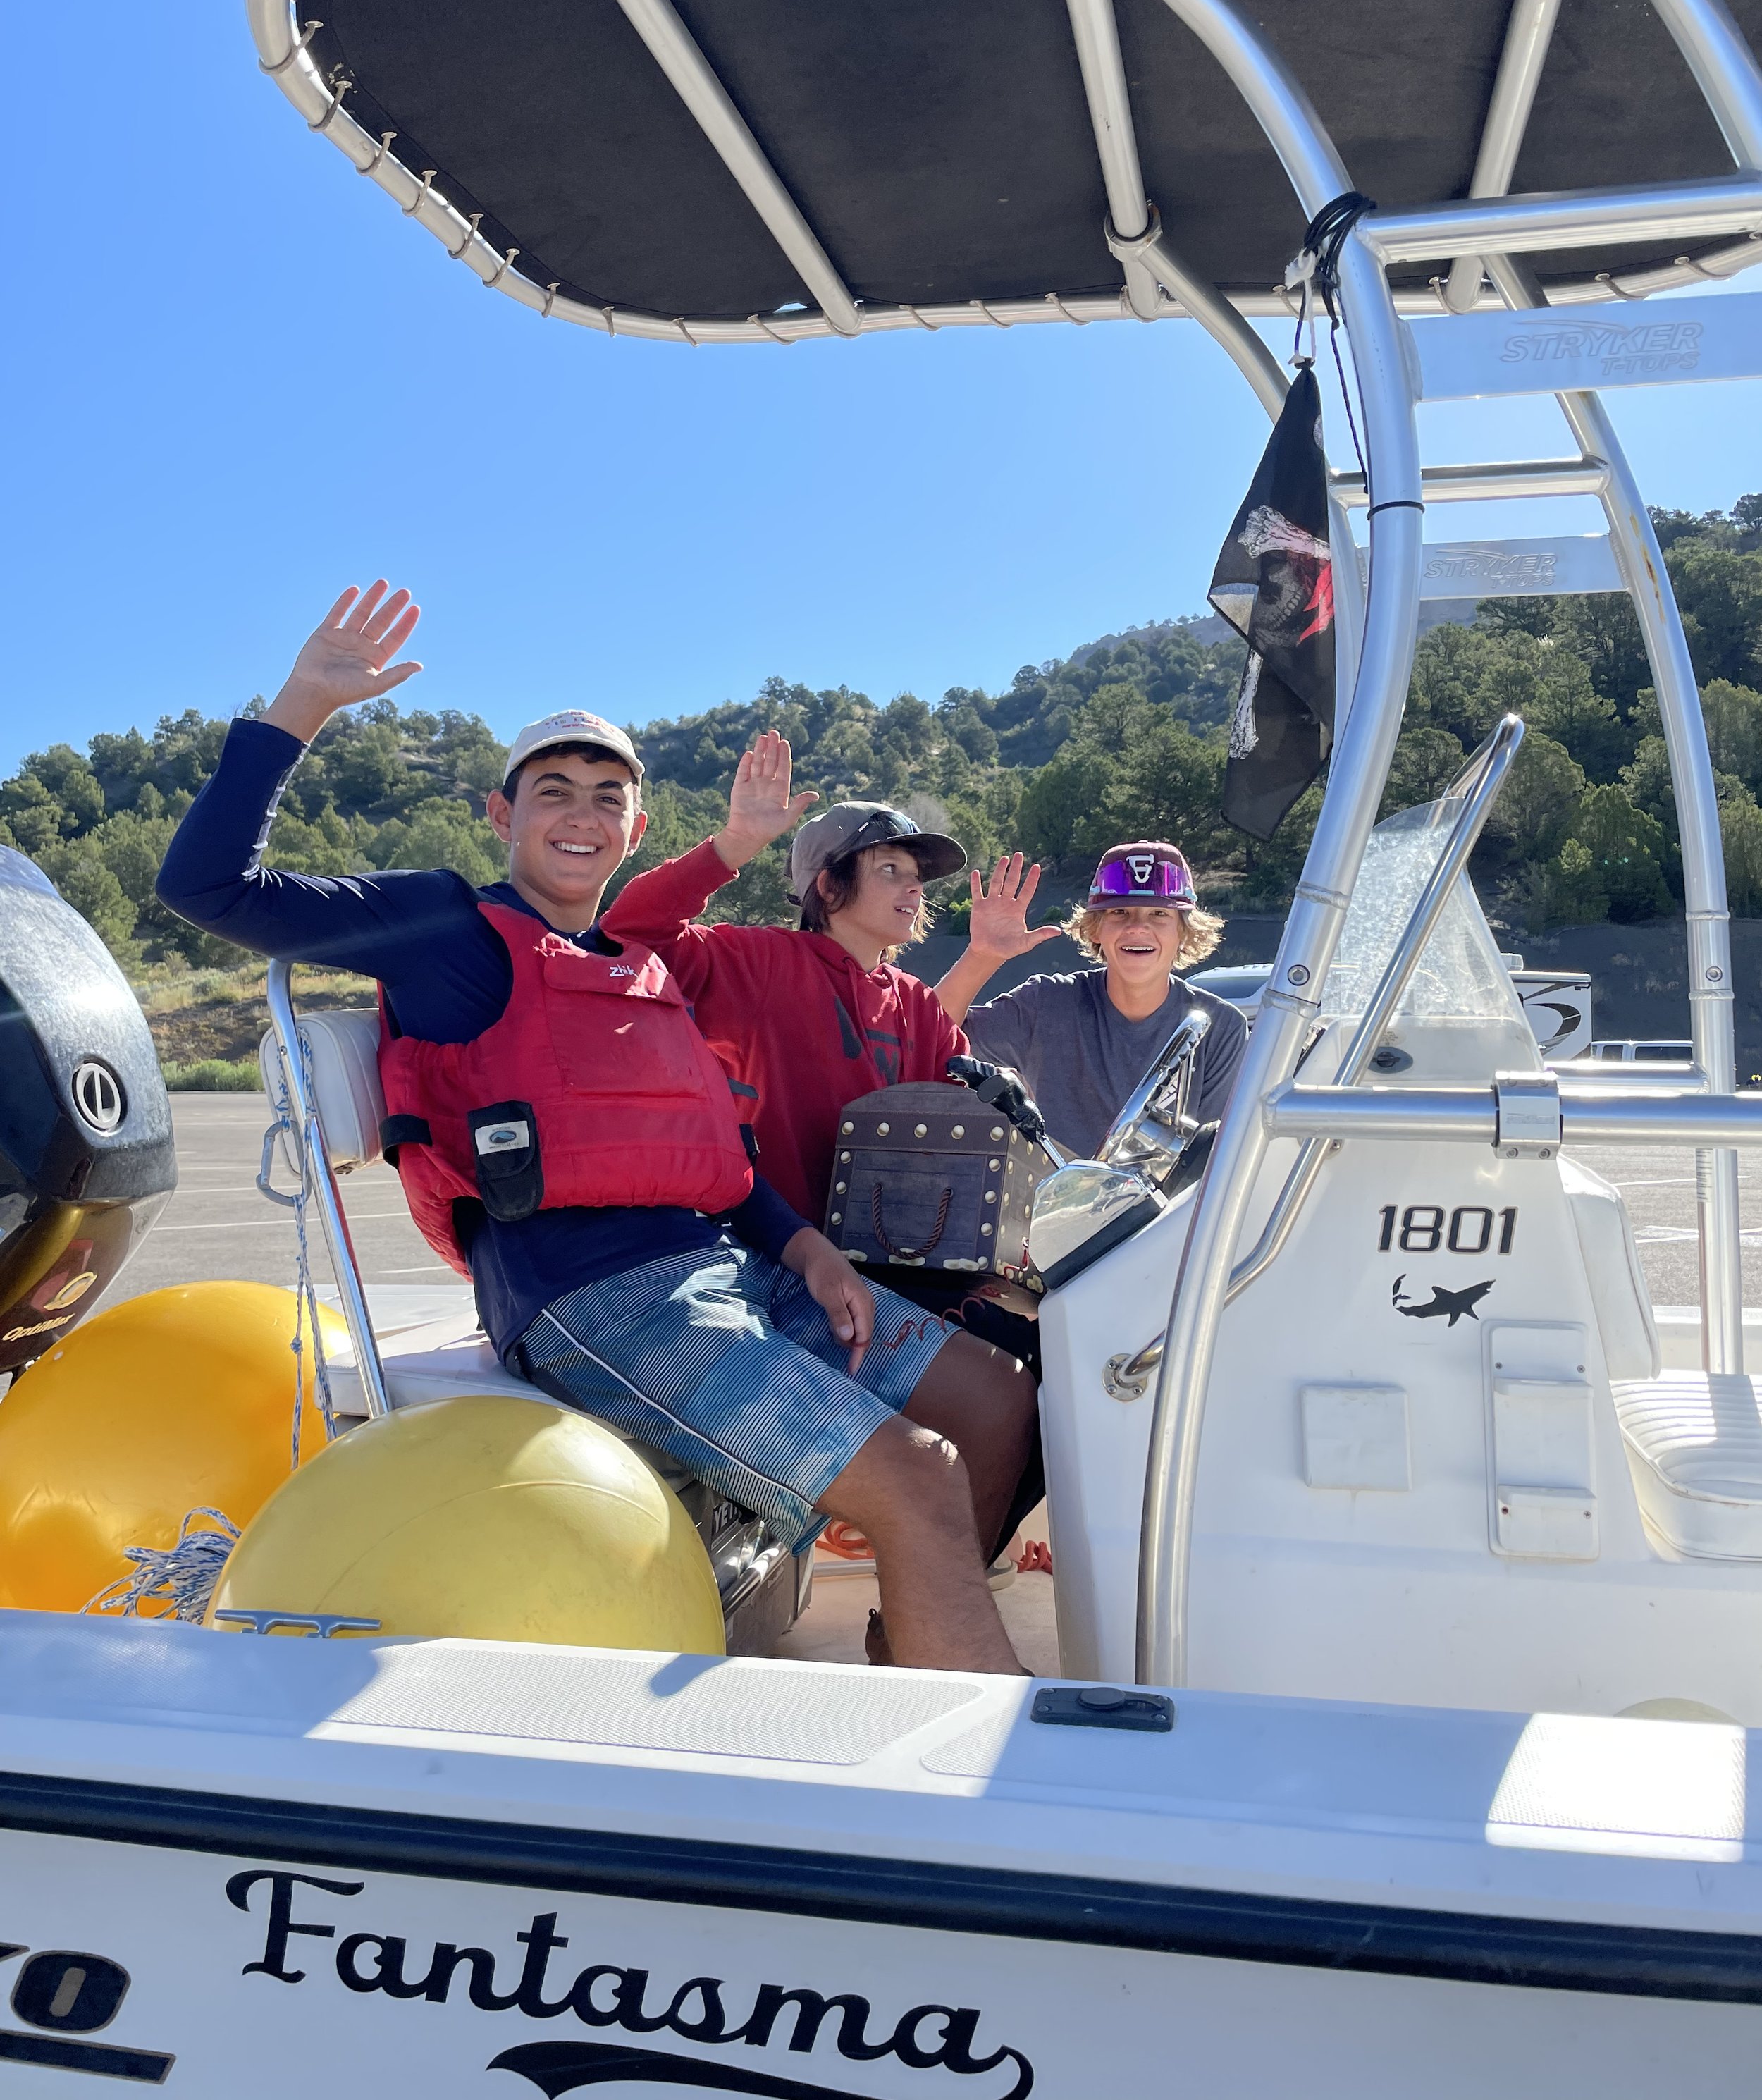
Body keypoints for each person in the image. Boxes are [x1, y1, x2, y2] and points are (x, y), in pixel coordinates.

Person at [155, 584, 1037, 1676]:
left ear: (636, 826)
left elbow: (712, 1160)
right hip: (586, 1292)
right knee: (914, 1471)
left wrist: (807, 1250)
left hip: (729, 1269)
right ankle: (970, 1755)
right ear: (502, 815)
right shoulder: (445, 927)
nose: (580, 815)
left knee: (991, 1404)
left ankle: (916, 1649)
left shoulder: (643, 969)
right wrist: (302, 705)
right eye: (553, 792)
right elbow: (205, 884)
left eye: (606, 797)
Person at [600, 731, 972, 1227]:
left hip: (907, 1252)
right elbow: (630, 931)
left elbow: (966, 1118)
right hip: (778, 1259)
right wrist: (733, 845)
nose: (914, 886)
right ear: (829, 885)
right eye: (889, 868)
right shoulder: (763, 964)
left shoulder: (919, 1004)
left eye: (917, 876)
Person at [933, 842, 1248, 1160]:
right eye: (1119, 912)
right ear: (1095, 928)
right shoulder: (1047, 1004)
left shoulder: (1220, 1028)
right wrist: (982, 956)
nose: (1138, 926)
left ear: (1183, 931)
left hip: (1171, 1209)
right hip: (1052, 1205)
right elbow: (930, 1036)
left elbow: (1212, 1161)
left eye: (1159, 914)